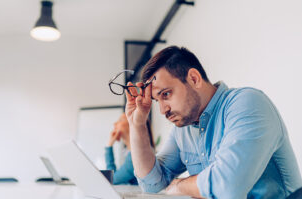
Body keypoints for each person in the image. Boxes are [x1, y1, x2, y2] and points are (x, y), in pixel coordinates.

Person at [124, 46, 302, 198]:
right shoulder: (183, 130)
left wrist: (178, 186)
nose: (163, 110)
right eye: (158, 100)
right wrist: (137, 125)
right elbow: (152, 185)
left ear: (194, 78)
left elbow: (227, 187)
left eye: (166, 94)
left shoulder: (247, 103)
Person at [104, 113, 155, 185]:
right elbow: (116, 177)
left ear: (133, 125)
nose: (115, 123)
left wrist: (109, 146)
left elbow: (112, 179)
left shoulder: (139, 155)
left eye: (121, 120)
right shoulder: (127, 152)